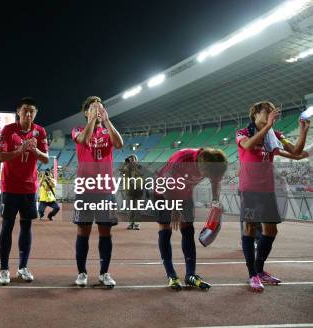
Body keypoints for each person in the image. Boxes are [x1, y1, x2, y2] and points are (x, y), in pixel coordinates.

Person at [236, 101, 309, 292]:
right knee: (250, 228)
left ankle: (259, 270)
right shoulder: (243, 133)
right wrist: (268, 126)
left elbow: (296, 151)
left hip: (267, 190)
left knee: (271, 231)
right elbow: (249, 147)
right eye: (266, 113)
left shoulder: (274, 136)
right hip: (249, 189)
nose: (271, 116)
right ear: (255, 114)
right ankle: (252, 274)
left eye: (272, 113)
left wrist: (303, 130)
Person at [155, 148, 228, 290]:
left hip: (185, 192)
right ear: (201, 166)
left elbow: (216, 181)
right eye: (207, 175)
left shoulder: (215, 164)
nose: (208, 178)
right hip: (163, 192)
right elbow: (166, 184)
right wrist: (173, 208)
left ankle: (190, 275)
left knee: (188, 229)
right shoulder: (182, 159)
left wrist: (215, 200)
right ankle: (172, 275)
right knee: (166, 228)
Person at [0, 97, 49, 285]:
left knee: (26, 226)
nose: (28, 114)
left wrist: (33, 150)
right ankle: (4, 269)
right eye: (25, 110)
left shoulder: (40, 131)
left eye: (32, 111)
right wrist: (19, 150)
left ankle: (23, 267)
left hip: (29, 188)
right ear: (18, 111)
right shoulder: (8, 130)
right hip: (9, 187)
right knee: (7, 227)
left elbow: (46, 159)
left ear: (35, 113)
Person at [71, 96, 123, 287]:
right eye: (93, 108)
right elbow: (83, 139)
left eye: (100, 107)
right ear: (86, 112)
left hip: (105, 190)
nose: (98, 110)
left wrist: (107, 120)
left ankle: (104, 272)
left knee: (105, 233)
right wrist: (93, 119)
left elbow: (119, 144)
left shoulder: (107, 131)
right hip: (85, 190)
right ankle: (82, 273)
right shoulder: (78, 129)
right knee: (83, 231)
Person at [120, 154, 145, 230]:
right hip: (129, 191)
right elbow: (121, 172)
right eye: (131, 159)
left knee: (137, 208)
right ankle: (131, 223)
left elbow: (141, 174)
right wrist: (125, 164)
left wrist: (134, 167)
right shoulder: (127, 168)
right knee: (130, 209)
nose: (132, 161)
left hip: (138, 190)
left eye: (133, 159)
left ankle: (137, 224)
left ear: (137, 160)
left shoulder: (140, 167)